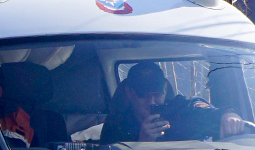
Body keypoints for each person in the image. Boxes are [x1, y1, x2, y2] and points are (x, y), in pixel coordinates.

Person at [102, 61, 246, 143]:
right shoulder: (117, 124)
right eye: (143, 95)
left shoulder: (182, 109)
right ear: (129, 93)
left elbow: (212, 113)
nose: (151, 101)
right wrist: (143, 143)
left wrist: (229, 115)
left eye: (157, 94)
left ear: (165, 88)